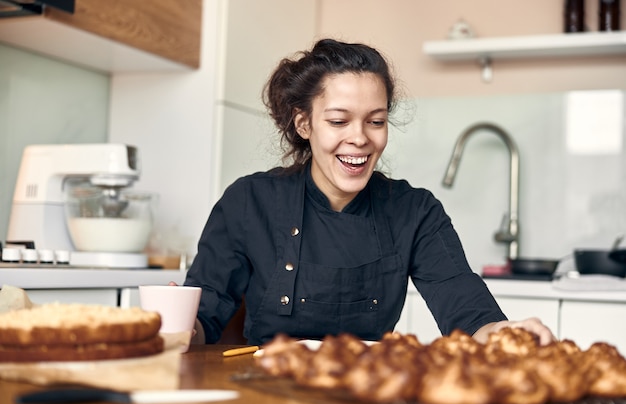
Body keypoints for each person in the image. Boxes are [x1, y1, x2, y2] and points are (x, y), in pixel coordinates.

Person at [183, 38, 556, 346]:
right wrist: (178, 327)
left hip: (369, 392)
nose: (360, 138)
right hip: (265, 394)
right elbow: (202, 318)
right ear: (304, 123)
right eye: (338, 121)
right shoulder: (249, 202)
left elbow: (467, 308)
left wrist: (502, 332)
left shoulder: (415, 211)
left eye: (375, 121)